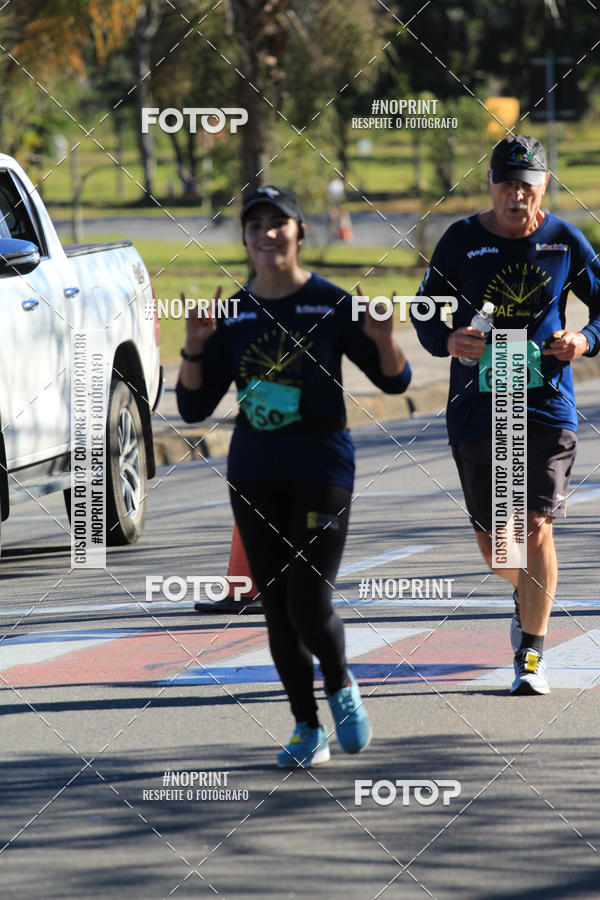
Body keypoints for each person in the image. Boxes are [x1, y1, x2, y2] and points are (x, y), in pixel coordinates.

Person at [176, 185, 411, 766]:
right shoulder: (230, 314)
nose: (266, 235)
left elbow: (395, 383)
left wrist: (384, 340)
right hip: (255, 474)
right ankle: (307, 728)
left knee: (308, 601)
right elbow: (192, 409)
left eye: (277, 223)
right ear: (246, 239)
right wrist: (193, 348)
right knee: (277, 605)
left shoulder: (331, 303)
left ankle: (340, 683)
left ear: (299, 232)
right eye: (254, 226)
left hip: (323, 469)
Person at [410, 134, 600, 696]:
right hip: (477, 403)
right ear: (490, 186)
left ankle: (532, 654)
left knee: (536, 525)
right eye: (506, 185)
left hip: (544, 401)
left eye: (527, 185)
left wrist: (584, 339)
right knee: (499, 545)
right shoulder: (460, 240)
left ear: (543, 186)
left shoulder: (565, 241)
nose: (516, 197)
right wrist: (447, 340)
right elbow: (423, 312)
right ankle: (528, 594)